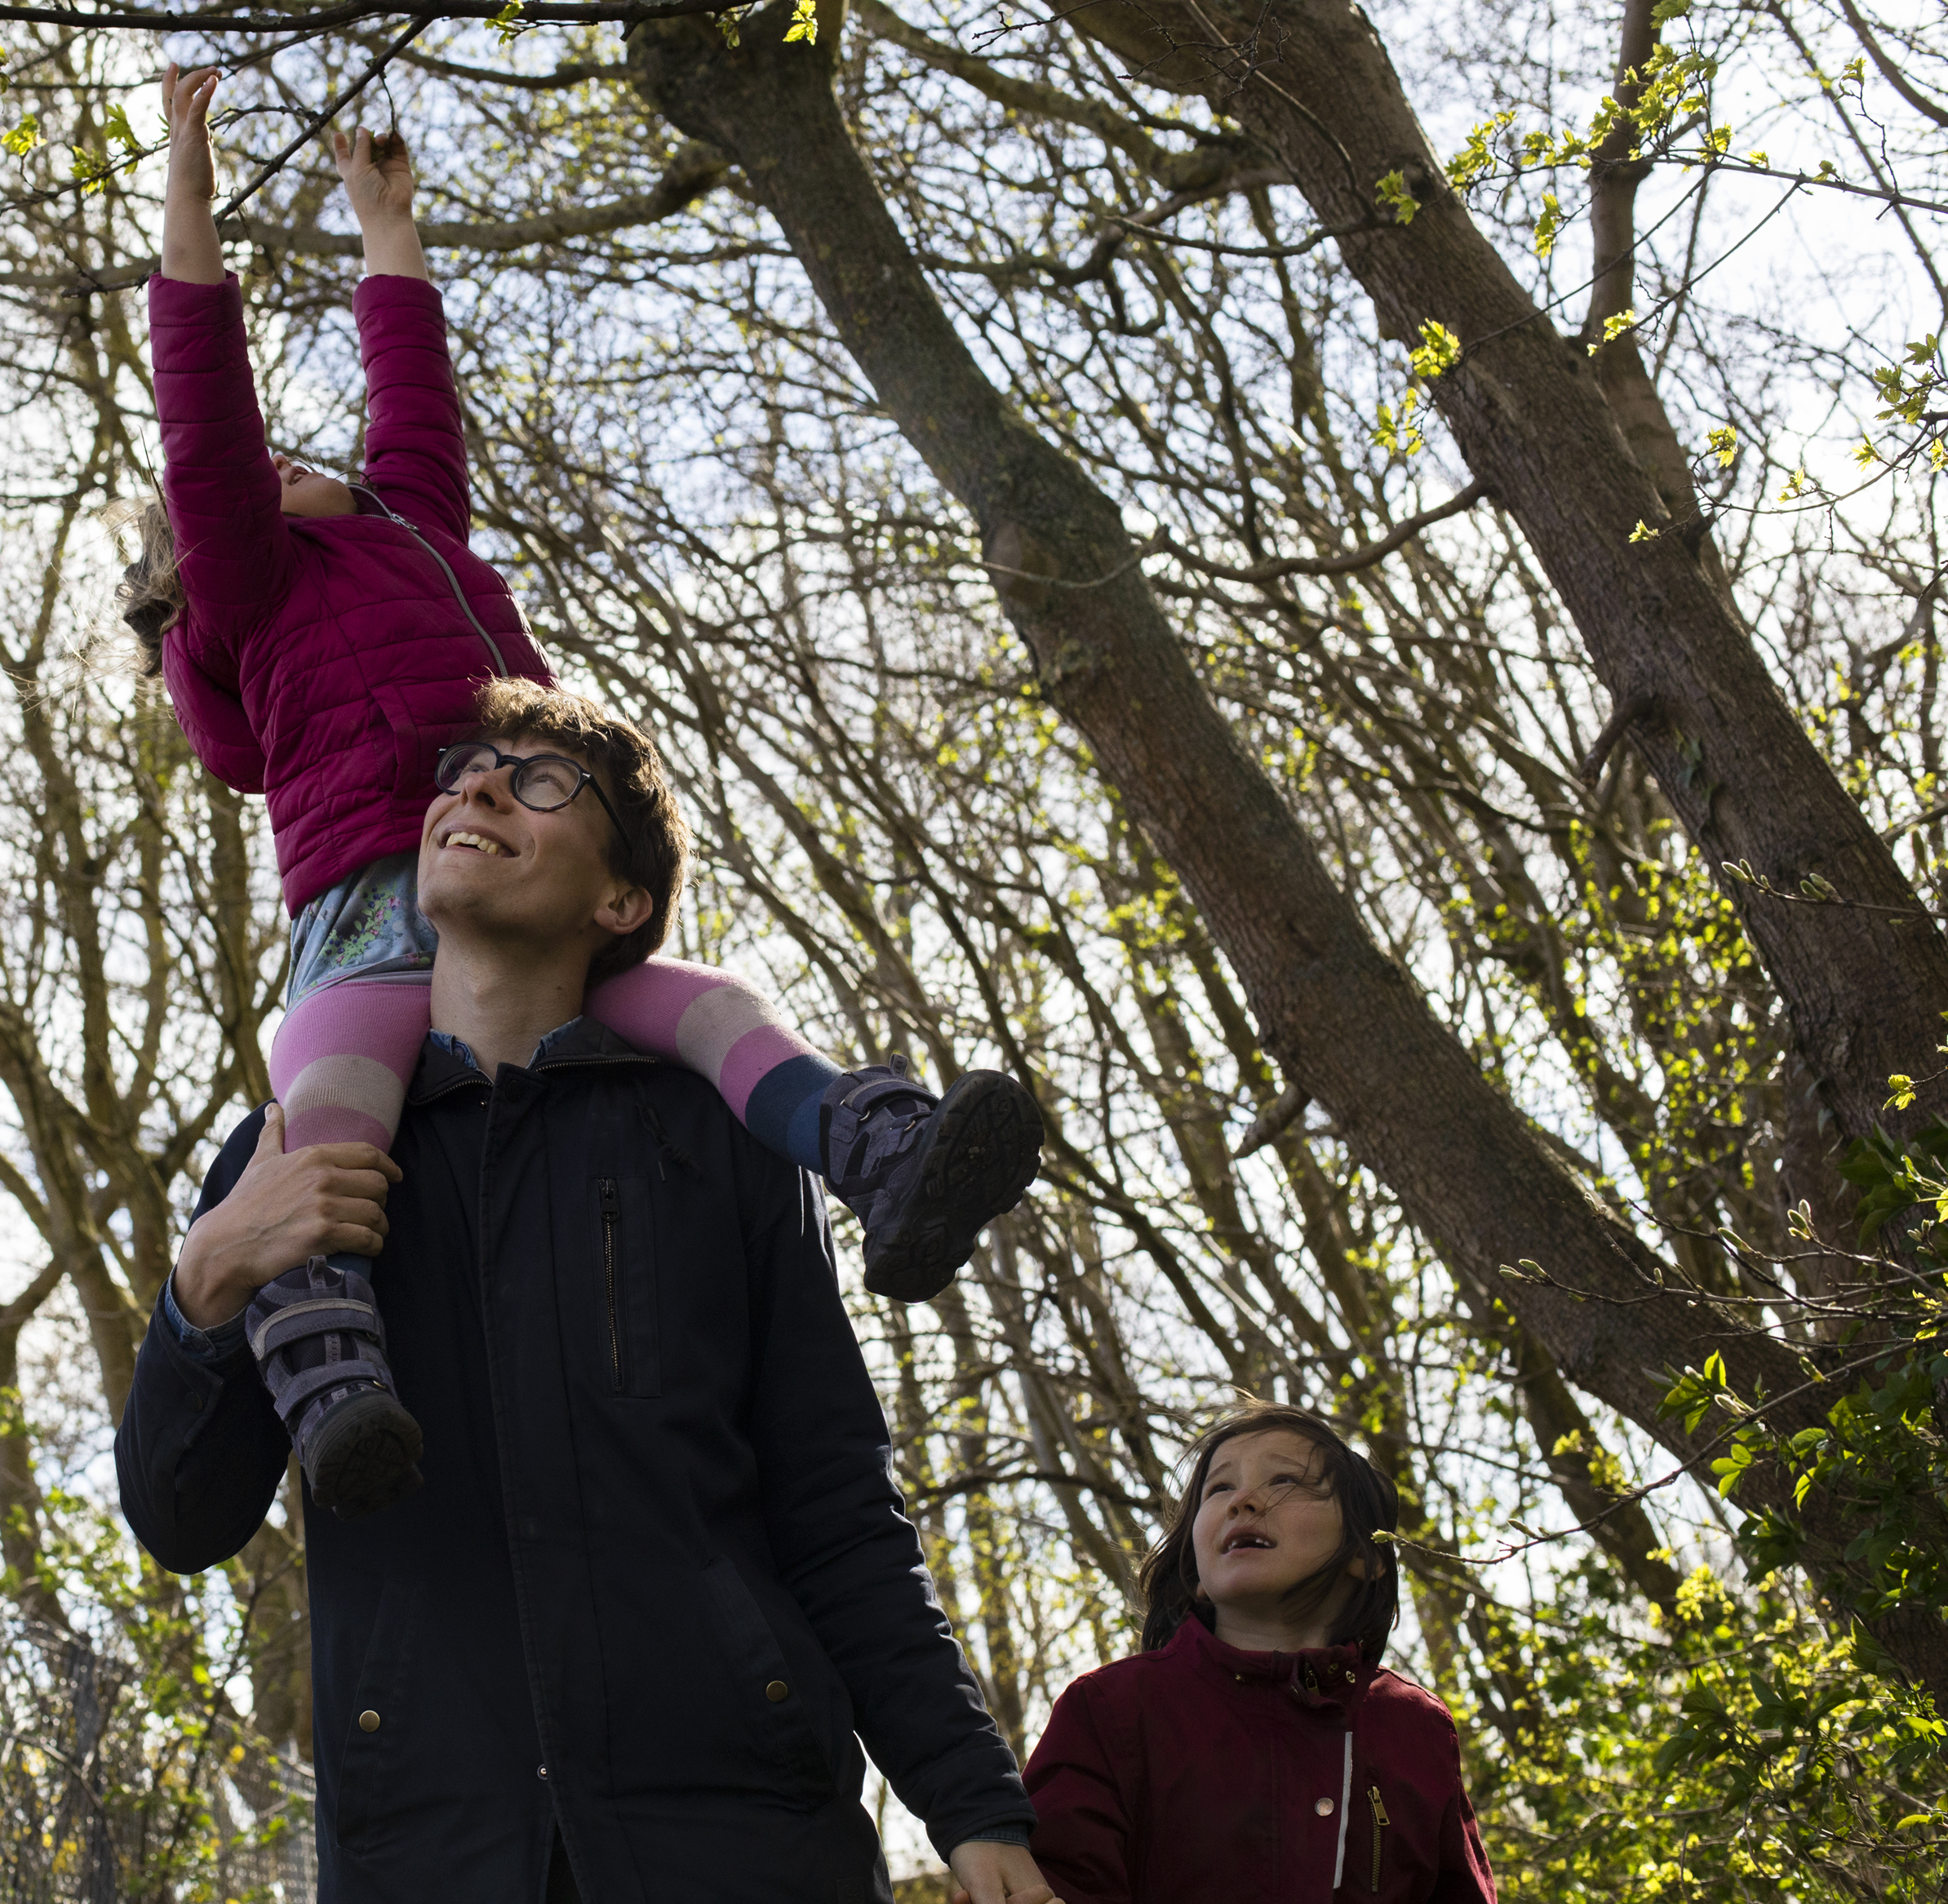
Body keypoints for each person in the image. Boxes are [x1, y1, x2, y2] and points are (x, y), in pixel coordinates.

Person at [122, 61, 1043, 1519]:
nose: (291, 460)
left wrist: (387, 222)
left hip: (538, 883)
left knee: (710, 1005)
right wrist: (186, 188)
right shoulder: (247, 586)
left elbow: (414, 387)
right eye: (248, 479)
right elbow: (203, 415)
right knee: (334, 1108)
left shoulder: (413, 524)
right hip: (375, 906)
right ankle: (328, 1366)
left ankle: (880, 1147)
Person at [114, 681, 1060, 1904]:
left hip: (741, 1840)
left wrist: (971, 1799)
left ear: (621, 901)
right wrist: (203, 1284)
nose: (478, 785)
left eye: (544, 779)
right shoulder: (291, 1158)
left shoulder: (720, 1140)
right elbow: (180, 1521)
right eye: (466, 767)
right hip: (427, 1851)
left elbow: (833, 1506)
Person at [1022, 1402, 1497, 1902]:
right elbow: (1055, 1880)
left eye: (1285, 1480)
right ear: (1197, 1575)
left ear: (1365, 1556)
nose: (1243, 1500)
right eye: (1219, 1487)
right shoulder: (1109, 1710)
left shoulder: (1416, 1726)